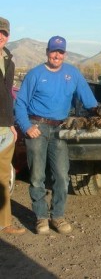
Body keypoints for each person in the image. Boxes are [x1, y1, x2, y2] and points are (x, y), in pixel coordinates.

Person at [15, 36, 98, 234]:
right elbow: (20, 103)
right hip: (37, 127)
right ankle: (41, 217)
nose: (57, 55)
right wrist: (26, 126)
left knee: (62, 176)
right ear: (47, 52)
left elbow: (89, 100)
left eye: (60, 52)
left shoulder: (72, 73)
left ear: (65, 54)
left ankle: (57, 216)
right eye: (53, 51)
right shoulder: (35, 74)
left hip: (60, 129)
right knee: (37, 176)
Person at [0, 16, 26, 235]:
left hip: (4, 129)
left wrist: (11, 125)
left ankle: (5, 223)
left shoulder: (9, 60)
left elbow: (8, 95)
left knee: (3, 178)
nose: (0, 36)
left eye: (4, 33)